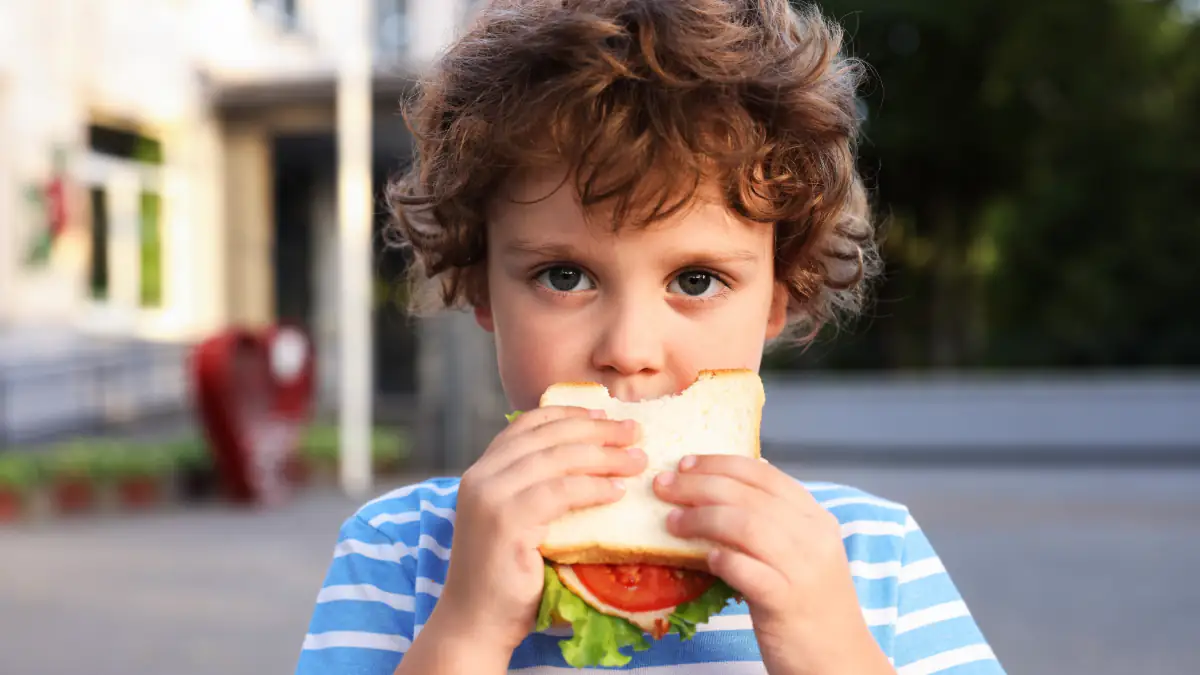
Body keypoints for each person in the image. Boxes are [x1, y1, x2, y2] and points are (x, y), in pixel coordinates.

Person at [295, 1, 1006, 673]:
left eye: (695, 281)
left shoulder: (872, 556)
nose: (630, 349)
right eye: (564, 275)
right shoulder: (398, 553)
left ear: (777, 297)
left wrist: (830, 644)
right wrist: (468, 626)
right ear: (483, 289)